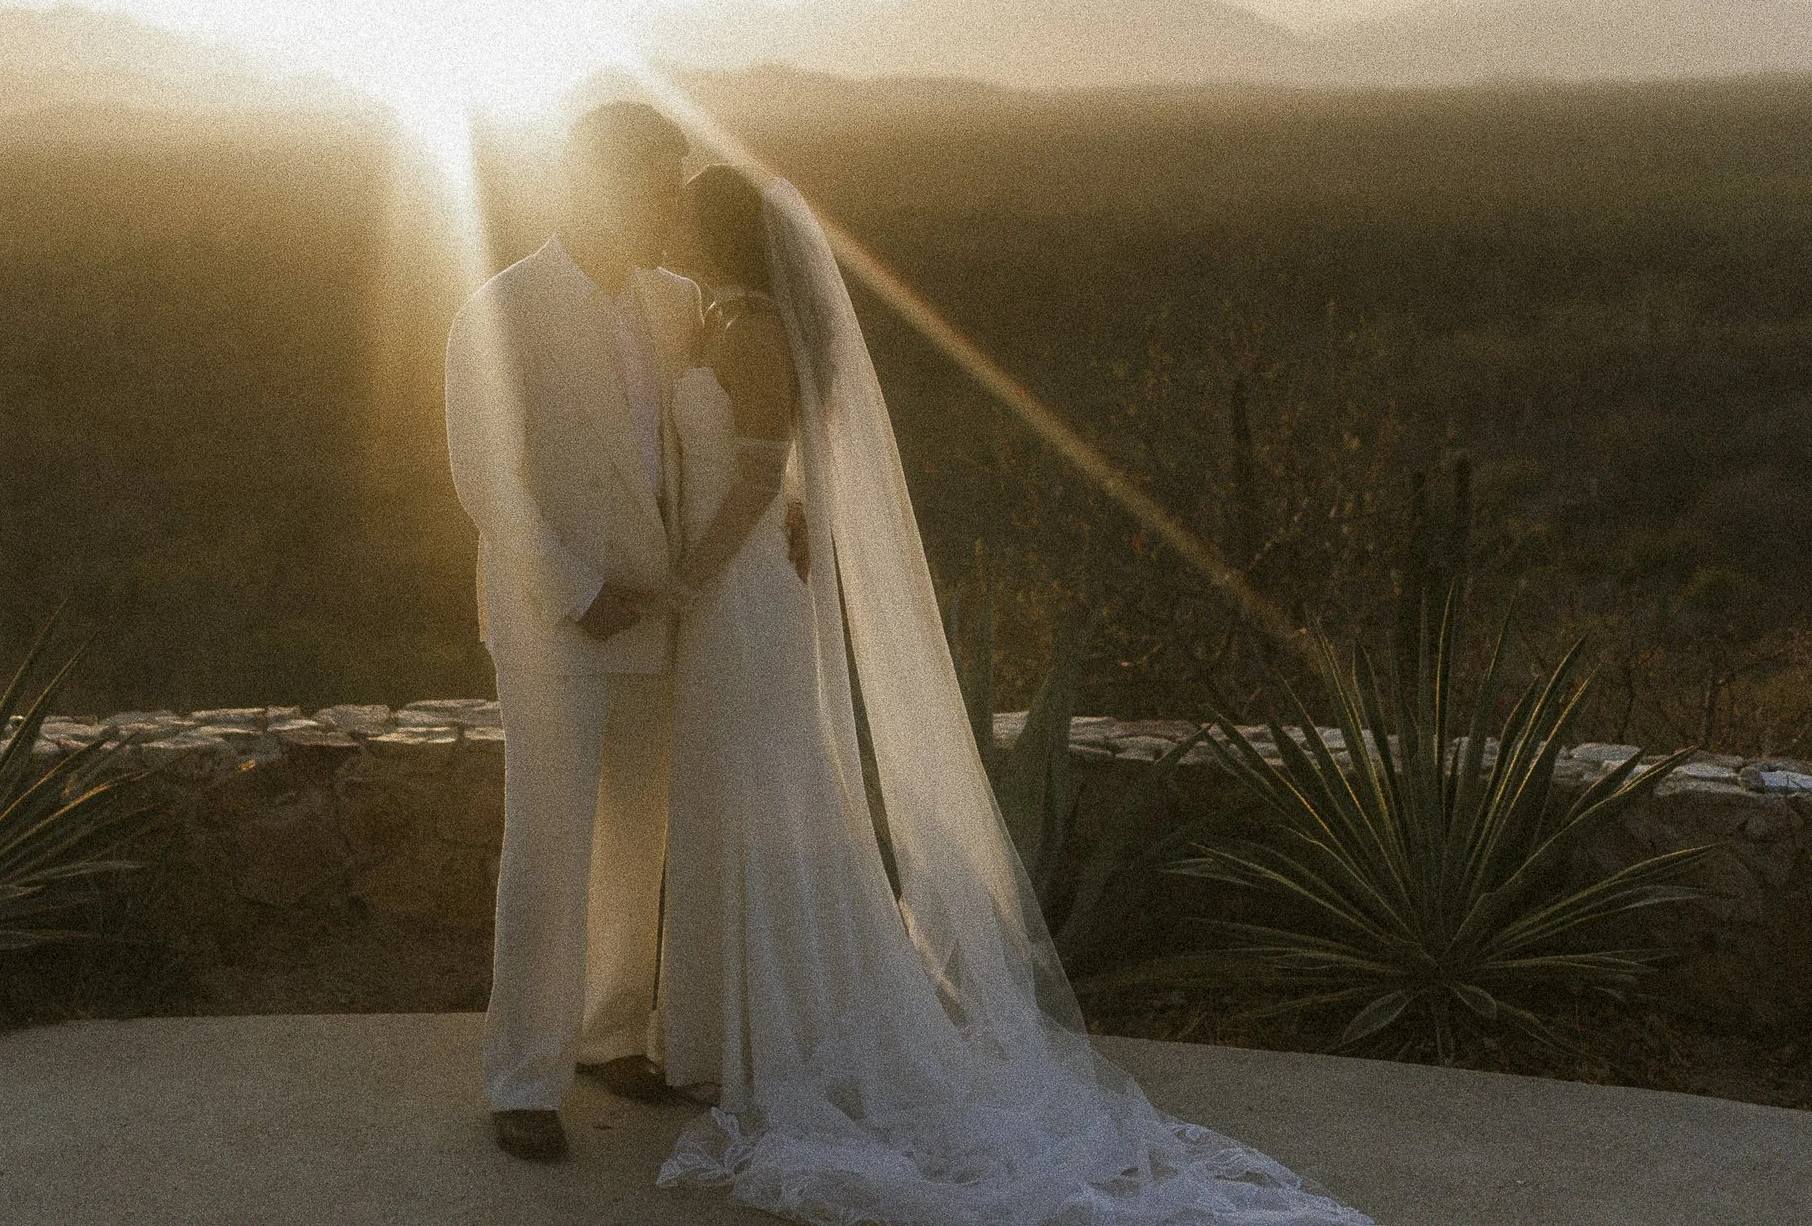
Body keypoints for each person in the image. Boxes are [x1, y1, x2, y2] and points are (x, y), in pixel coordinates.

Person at [651, 162, 1373, 1226]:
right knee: (737, 793)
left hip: (739, 593)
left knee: (771, 787)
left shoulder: (755, 329)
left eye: (680, 214)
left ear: (715, 235)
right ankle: (728, 1028)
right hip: (738, 583)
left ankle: (780, 1030)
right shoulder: (722, 315)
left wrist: (681, 581)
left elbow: (758, 475)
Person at [442, 99, 704, 1163]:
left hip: (662, 612)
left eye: (679, 185)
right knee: (547, 847)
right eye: (658, 184)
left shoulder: (679, 300)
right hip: (558, 619)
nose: (673, 206)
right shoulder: (497, 309)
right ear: (593, 181)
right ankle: (522, 1074)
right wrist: (575, 587)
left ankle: (609, 1032)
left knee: (638, 841)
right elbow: (486, 479)